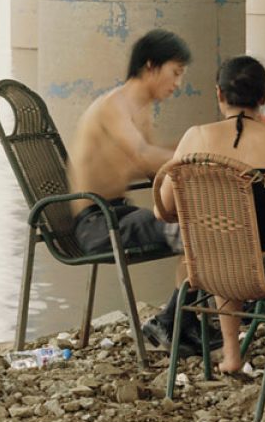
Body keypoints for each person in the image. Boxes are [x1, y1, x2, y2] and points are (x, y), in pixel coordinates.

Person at [154, 55, 265, 373]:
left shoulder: (194, 137)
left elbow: (165, 206)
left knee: (228, 253)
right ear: (264, 97)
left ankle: (232, 355)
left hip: (209, 265)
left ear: (219, 94)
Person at [66, 29, 189, 260]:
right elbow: (144, 155)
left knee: (204, 224)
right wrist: (196, 153)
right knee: (202, 233)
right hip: (98, 225)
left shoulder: (141, 110)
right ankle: (192, 297)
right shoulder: (114, 105)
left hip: (120, 215)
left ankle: (185, 297)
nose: (178, 83)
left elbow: (154, 169)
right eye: (176, 72)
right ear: (151, 66)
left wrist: (196, 145)